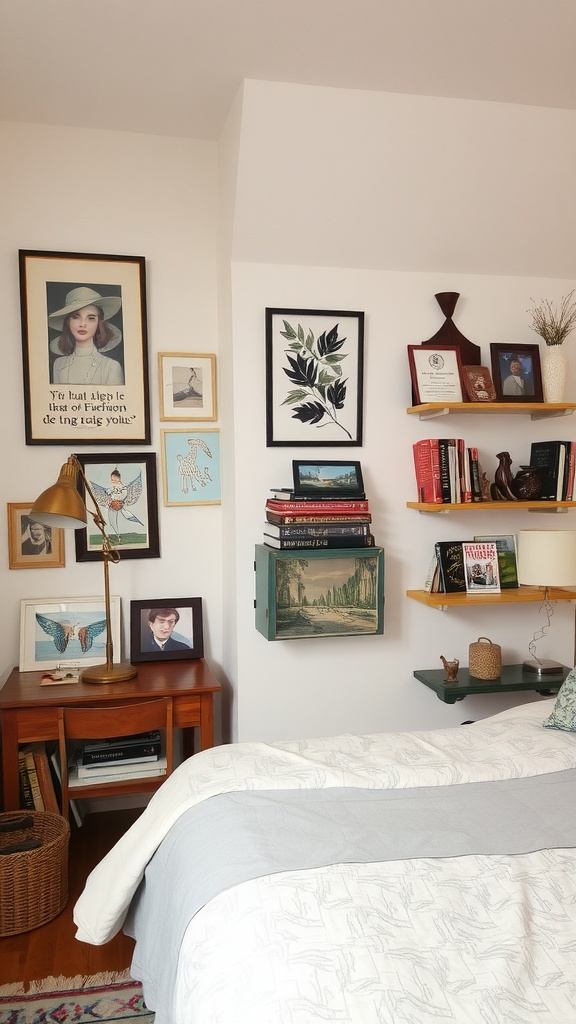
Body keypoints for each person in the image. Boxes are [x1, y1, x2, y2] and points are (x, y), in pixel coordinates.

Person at [48, 286, 124, 385]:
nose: (83, 324)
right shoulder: (59, 364)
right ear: (68, 322)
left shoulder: (111, 366)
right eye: (76, 317)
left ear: (98, 323)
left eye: (91, 318)